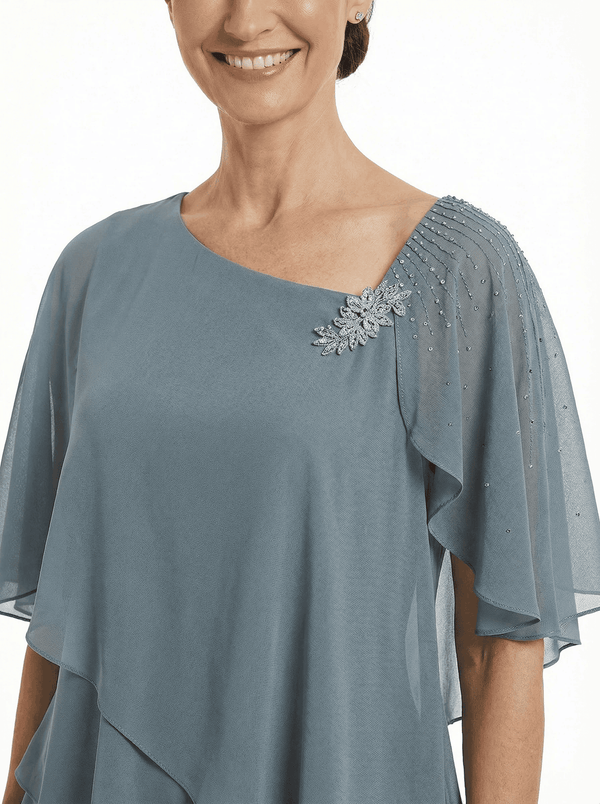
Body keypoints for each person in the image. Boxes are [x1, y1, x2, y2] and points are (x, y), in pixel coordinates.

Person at [2, 1, 600, 803]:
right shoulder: (95, 272)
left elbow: (498, 652)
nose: (247, 18)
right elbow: (63, 631)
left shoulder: (456, 274)